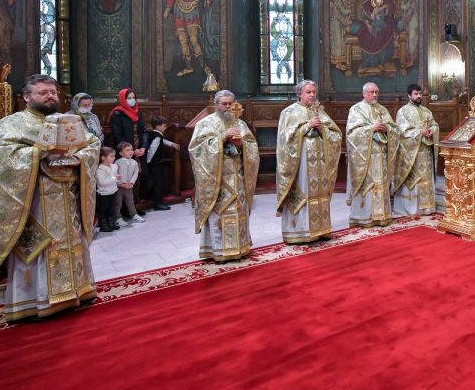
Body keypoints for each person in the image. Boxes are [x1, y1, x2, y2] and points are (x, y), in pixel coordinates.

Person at [0, 74, 100, 321]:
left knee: (70, 242)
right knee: (40, 245)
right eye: (43, 93)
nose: (50, 96)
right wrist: (38, 154)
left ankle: (77, 291)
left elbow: (92, 144)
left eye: (53, 92)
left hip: (68, 196)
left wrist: (79, 158)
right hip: (33, 199)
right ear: (27, 97)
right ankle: (35, 301)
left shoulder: (69, 122)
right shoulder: (13, 124)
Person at [190, 90, 260, 261]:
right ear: (216, 105)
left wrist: (241, 144)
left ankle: (241, 247)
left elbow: (253, 147)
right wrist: (222, 138)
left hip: (238, 177)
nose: (228, 107)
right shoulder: (206, 124)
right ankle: (219, 250)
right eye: (224, 104)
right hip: (217, 180)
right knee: (220, 213)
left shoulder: (240, 124)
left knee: (239, 211)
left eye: (230, 103)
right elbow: (196, 150)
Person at [277, 80, 342, 244]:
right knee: (303, 192)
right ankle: (301, 231)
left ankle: (321, 229)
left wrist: (322, 129)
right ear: (300, 93)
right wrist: (307, 126)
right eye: (308, 92)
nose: (312, 95)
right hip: (300, 164)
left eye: (314, 92)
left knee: (319, 193)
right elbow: (286, 140)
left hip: (320, 162)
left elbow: (336, 134)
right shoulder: (289, 112)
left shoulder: (319, 111)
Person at [346, 82, 397, 226]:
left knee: (381, 184)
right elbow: (351, 133)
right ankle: (364, 217)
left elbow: (395, 129)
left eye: (376, 92)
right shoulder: (356, 109)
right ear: (364, 94)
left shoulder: (382, 109)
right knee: (367, 185)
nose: (375, 95)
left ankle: (382, 216)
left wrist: (387, 129)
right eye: (371, 92)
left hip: (381, 155)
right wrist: (371, 129)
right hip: (365, 157)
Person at [392, 83, 439, 217]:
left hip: (426, 151)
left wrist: (432, 131)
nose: (419, 96)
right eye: (416, 94)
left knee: (426, 179)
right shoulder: (403, 111)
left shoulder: (426, 111)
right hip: (412, 154)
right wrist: (420, 132)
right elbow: (401, 132)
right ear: (409, 95)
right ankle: (411, 208)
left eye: (420, 94)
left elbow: (435, 125)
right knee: (413, 180)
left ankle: (427, 208)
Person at [143, 115, 179, 211]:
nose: (165, 127)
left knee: (155, 182)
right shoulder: (158, 136)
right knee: (158, 183)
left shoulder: (154, 134)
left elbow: (162, 141)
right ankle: (158, 203)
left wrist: (172, 144)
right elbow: (152, 150)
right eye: (164, 126)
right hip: (155, 164)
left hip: (153, 164)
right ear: (158, 126)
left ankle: (152, 198)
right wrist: (148, 161)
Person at [108, 88, 146, 155]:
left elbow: (144, 131)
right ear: (123, 99)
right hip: (124, 152)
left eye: (133, 98)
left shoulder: (137, 113)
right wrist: (131, 150)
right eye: (129, 98)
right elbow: (117, 136)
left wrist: (143, 146)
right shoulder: (116, 115)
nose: (132, 100)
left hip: (139, 150)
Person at [114, 142, 144, 225]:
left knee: (130, 201)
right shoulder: (117, 162)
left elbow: (135, 173)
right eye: (127, 150)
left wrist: (131, 183)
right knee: (118, 202)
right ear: (121, 153)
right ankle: (118, 217)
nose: (130, 152)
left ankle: (134, 214)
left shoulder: (134, 162)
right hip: (119, 187)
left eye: (131, 149)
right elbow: (115, 174)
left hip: (129, 186)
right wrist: (121, 184)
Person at [95, 146, 119, 232]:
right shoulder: (100, 169)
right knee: (103, 210)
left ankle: (111, 222)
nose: (114, 158)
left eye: (114, 156)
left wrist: (116, 176)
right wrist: (115, 178)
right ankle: (103, 225)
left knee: (111, 209)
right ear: (103, 157)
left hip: (113, 191)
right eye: (111, 156)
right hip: (104, 194)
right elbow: (102, 182)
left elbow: (113, 176)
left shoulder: (112, 166)